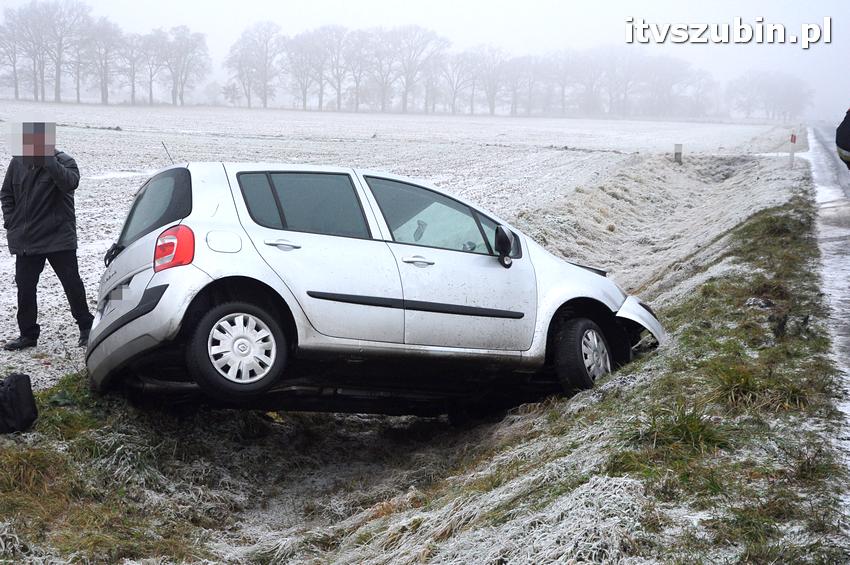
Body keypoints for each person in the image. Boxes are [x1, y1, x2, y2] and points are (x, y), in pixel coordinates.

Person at [1, 122, 93, 351]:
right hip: (27, 239)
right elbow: (6, 194)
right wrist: (11, 221)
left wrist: (49, 161)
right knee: (25, 287)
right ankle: (28, 335)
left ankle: (86, 327)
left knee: (71, 283)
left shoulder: (65, 162)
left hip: (58, 238)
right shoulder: (18, 163)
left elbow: (70, 183)